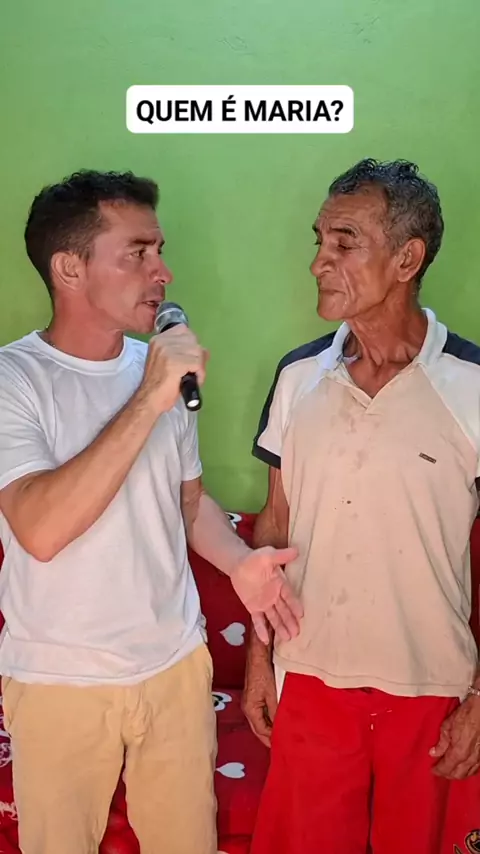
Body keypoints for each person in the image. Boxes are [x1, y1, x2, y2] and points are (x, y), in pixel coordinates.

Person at [0, 169, 303, 854]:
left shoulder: (162, 373)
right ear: (69, 268)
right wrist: (148, 397)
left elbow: (188, 504)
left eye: (159, 251)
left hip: (174, 667)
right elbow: (40, 529)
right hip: (59, 680)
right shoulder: (15, 380)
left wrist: (241, 563)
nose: (162, 272)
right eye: (137, 253)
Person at [243, 158, 480, 854]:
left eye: (345, 242)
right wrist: (260, 659)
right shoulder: (298, 377)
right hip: (311, 677)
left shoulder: (471, 385)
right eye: (320, 240)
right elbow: (274, 528)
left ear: (407, 259)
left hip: (431, 684)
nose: (319, 261)